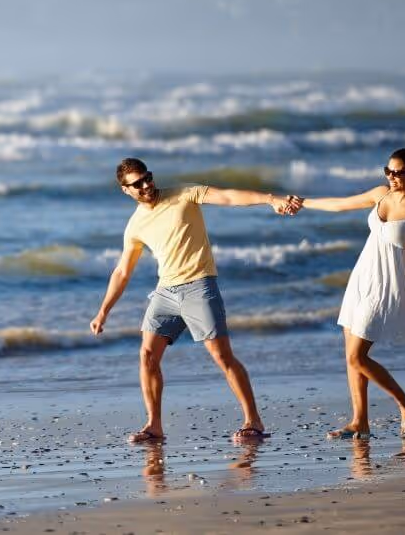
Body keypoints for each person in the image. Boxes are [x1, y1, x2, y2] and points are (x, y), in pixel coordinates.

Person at [90, 157, 302, 444]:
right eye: (137, 184)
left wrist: (270, 199)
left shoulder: (184, 194)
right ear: (125, 190)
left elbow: (228, 196)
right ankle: (154, 426)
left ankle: (253, 420)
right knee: (147, 355)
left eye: (147, 177)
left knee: (221, 356)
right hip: (165, 292)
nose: (146, 185)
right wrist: (103, 312)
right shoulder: (135, 225)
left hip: (199, 286)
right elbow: (122, 271)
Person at [298, 147, 405, 439]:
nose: (392, 177)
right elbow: (341, 204)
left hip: (385, 288)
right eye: (388, 171)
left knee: (356, 357)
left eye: (398, 172)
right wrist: (304, 202)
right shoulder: (380, 194)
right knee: (350, 354)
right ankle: (359, 422)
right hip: (361, 280)